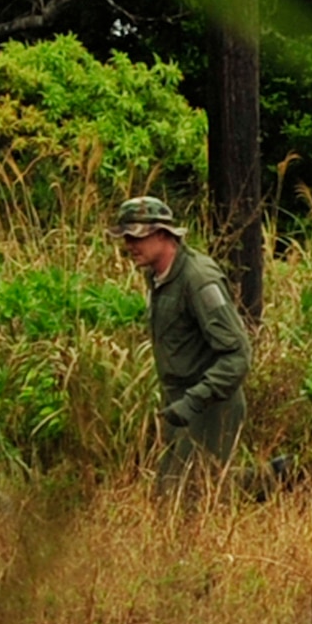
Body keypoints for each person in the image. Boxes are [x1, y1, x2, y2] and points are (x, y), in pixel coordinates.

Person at [110, 195, 252, 496]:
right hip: (181, 403)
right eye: (126, 238)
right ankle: (273, 476)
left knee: (190, 498)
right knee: (177, 492)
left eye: (137, 237)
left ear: (163, 234)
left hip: (210, 403)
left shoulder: (197, 279)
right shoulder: (159, 277)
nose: (129, 245)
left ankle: (271, 479)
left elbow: (238, 354)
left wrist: (195, 400)